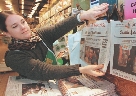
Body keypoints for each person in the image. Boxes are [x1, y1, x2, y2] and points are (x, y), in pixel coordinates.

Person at [0, 3, 109, 81]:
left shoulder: (39, 35)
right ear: (7, 33)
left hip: (55, 82)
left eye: (23, 22)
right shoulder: (13, 56)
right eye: (15, 26)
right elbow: (43, 70)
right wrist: (80, 69)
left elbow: (57, 28)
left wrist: (82, 16)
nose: (23, 27)